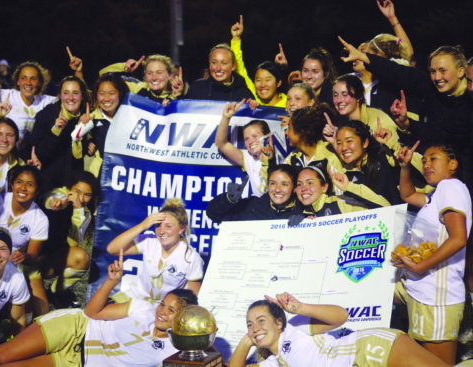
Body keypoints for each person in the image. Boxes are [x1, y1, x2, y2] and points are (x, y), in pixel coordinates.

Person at [0, 252, 199, 367]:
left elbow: (209, 352)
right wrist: (111, 282)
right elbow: (92, 313)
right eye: (163, 304)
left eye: (171, 311)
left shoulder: (174, 353)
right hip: (75, 328)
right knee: (0, 355)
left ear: (184, 320)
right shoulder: (143, 308)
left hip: (77, 362)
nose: (161, 312)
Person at [339, 38, 473, 188]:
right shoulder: (432, 86)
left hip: (463, 173)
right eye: (433, 71)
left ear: (461, 71)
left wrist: (408, 124)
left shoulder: (467, 103)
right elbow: (400, 73)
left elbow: (437, 132)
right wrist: (364, 57)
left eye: (443, 71)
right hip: (439, 167)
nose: (437, 77)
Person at [393, 142, 472, 364]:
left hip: (437, 297)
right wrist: (406, 167)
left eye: (433, 158)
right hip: (420, 288)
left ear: (453, 164)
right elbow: (408, 195)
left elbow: (459, 238)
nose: (426, 164)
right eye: (424, 160)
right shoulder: (437, 194)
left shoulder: (451, 187)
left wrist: (419, 266)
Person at [229, 294, 457, 367]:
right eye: (250, 324)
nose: (255, 328)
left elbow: (341, 316)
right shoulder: (271, 364)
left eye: (261, 321)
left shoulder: (295, 328)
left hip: (370, 349)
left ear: (279, 323)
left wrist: (298, 307)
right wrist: (246, 341)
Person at [106, 198, 203, 304]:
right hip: (134, 298)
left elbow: (194, 299)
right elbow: (112, 249)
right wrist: (142, 226)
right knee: (99, 310)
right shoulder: (149, 241)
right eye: (158, 225)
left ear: (181, 229)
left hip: (162, 307)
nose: (162, 231)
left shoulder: (191, 257)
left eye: (168, 226)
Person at [0, 165, 48, 319]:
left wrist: (24, 256)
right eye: (19, 182)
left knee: (22, 286)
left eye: (30, 184)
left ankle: (18, 327)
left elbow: (32, 258)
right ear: (12, 185)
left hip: (12, 262)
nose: (23, 188)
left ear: (38, 190)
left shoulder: (40, 219)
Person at [36, 171, 99, 314]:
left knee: (81, 257)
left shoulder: (85, 212)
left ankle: (56, 292)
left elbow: (73, 244)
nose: (81, 198)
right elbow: (51, 199)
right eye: (77, 191)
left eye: (87, 195)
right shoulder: (59, 192)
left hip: (47, 262)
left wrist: (77, 210)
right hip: (28, 257)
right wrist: (58, 202)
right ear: (70, 188)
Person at [330, 119, 424, 207]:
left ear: (365, 143)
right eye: (338, 143)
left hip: (410, 217)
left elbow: (424, 172)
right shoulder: (343, 177)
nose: (343, 148)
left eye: (349, 141)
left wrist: (393, 144)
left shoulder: (384, 156)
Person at [28, 75, 90, 193]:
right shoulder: (47, 115)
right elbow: (38, 154)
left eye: (75, 93)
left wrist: (86, 133)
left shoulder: (87, 119)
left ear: (82, 96)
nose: (71, 98)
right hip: (49, 189)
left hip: (76, 189)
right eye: (66, 93)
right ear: (60, 95)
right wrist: (55, 130)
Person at [206, 164, 299, 223]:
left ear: (295, 187)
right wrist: (228, 199)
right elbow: (214, 215)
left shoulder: (303, 211)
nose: (278, 189)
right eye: (273, 183)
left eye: (284, 184)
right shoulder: (253, 207)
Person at [215, 99, 270, 197]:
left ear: (267, 135)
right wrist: (226, 118)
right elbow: (221, 144)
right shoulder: (249, 157)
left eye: (255, 136)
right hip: (261, 209)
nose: (250, 141)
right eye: (246, 138)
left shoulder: (282, 155)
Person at [230, 15, 286, 107]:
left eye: (268, 79)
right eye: (258, 80)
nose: (262, 84)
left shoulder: (290, 104)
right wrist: (236, 39)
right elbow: (239, 69)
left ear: (278, 82)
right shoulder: (253, 99)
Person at [80, 73, 129, 177]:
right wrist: (81, 130)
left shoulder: (130, 117)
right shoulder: (90, 120)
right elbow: (77, 151)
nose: (106, 98)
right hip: (101, 178)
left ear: (120, 93)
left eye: (111, 93)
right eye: (102, 93)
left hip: (127, 176)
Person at [332, 74, 400, 139]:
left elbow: (397, 149)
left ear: (359, 97)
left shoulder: (378, 121)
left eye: (345, 95)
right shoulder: (344, 122)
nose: (338, 100)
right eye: (335, 95)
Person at [281, 104, 342, 175]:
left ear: (302, 132)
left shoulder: (330, 156)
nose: (286, 132)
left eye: (289, 128)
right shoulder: (293, 158)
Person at [99, 54, 183, 103]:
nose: (154, 78)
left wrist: (177, 96)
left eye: (159, 72)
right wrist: (124, 67)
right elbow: (104, 76)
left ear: (170, 75)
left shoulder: (174, 96)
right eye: (149, 73)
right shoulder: (137, 89)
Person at [187, 44, 255, 101]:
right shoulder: (197, 88)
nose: (218, 68)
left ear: (233, 66)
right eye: (214, 63)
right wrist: (179, 94)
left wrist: (253, 108)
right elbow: (183, 112)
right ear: (210, 65)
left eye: (224, 63)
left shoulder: (244, 94)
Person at [294, 166, 367, 218]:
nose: (303, 188)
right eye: (299, 184)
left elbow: (375, 211)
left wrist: (349, 187)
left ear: (324, 187)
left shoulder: (341, 204)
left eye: (310, 183)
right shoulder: (301, 215)